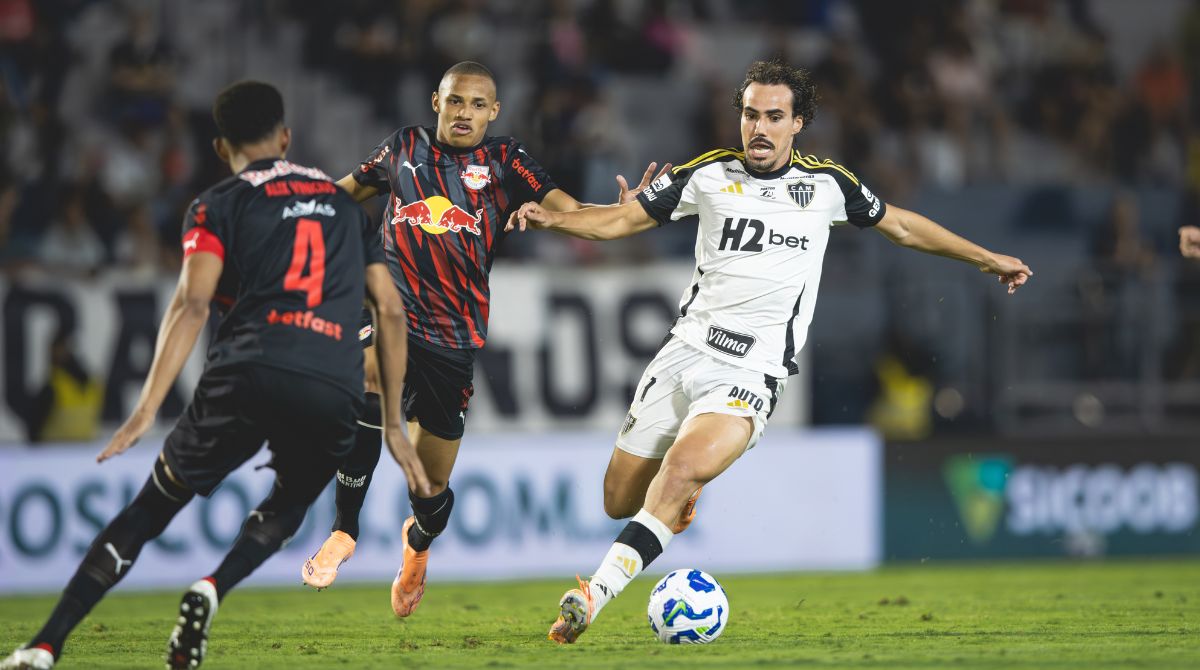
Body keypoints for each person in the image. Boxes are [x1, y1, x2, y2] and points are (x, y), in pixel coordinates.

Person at [508, 59, 1033, 644]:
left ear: (798, 123)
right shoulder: (705, 173)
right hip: (682, 355)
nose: (759, 128)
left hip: (750, 371)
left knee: (680, 469)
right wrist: (555, 219)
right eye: (750, 114)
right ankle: (675, 504)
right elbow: (619, 222)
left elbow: (904, 226)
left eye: (774, 117)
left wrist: (986, 258)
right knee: (618, 499)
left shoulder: (827, 185)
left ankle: (593, 595)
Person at [0, 81, 429, 670]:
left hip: (246, 370)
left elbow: (191, 305)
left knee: (151, 509)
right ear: (285, 137)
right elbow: (390, 311)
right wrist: (394, 426)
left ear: (222, 147)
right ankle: (212, 586)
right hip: (328, 380)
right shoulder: (340, 206)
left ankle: (44, 645)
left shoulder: (216, 204)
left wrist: (146, 409)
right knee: (289, 504)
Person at [298, 60, 667, 618]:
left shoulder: (506, 160)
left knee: (431, 492)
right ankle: (344, 530)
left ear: (493, 111)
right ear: (436, 102)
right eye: (454, 101)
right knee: (369, 379)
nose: (464, 113)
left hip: (452, 337)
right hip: (388, 307)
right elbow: (341, 195)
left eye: (476, 105)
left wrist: (625, 211)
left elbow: (569, 210)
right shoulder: (402, 148)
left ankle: (417, 543)